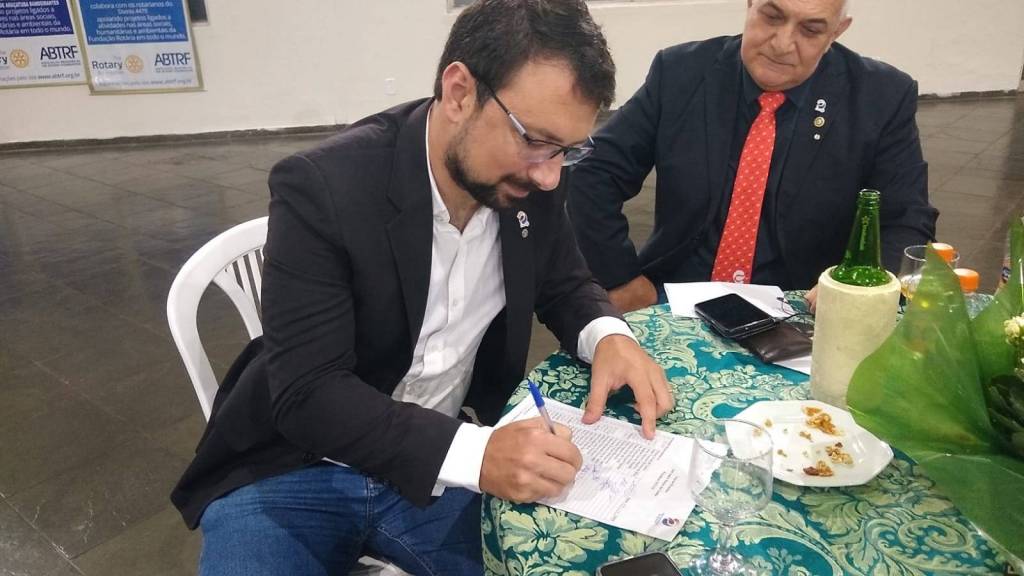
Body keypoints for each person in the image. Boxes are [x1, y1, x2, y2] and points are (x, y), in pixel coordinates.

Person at [170, 1, 673, 574]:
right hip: (294, 467)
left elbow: (563, 280)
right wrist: (477, 454)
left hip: (441, 473)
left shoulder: (531, 179)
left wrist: (608, 336)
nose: (549, 174)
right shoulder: (323, 187)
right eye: (534, 140)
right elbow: (309, 392)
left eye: (567, 150)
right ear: (459, 93)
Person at [567, 0, 938, 313]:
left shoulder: (881, 97)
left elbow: (907, 218)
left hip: (803, 307)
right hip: (674, 296)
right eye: (772, 16)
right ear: (749, 4)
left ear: (837, 32)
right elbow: (594, 171)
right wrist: (621, 278)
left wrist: (855, 288)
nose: (782, 43)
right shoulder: (681, 72)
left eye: (810, 30)